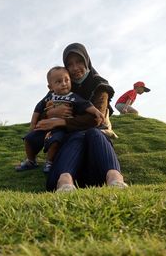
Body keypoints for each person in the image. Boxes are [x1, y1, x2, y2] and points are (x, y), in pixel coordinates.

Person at [34, 43, 128, 192]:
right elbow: (43, 115)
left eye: (79, 62)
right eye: (70, 64)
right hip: (72, 144)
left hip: (95, 147)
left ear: (87, 61)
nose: (75, 68)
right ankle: (65, 182)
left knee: (93, 132)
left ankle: (115, 179)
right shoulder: (62, 86)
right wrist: (52, 113)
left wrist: (61, 121)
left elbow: (96, 120)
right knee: (76, 136)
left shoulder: (100, 86)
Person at [16, 66, 105, 173]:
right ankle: (31, 160)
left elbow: (86, 105)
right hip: (44, 126)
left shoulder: (73, 97)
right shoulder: (49, 97)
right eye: (58, 82)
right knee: (28, 139)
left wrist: (96, 112)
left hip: (61, 128)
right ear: (50, 87)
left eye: (66, 80)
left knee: (55, 141)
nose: (64, 83)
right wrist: (33, 125)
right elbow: (38, 109)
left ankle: (49, 163)